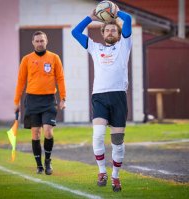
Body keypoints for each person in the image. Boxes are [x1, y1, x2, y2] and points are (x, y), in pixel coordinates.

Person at [72, 7, 132, 192]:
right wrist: (90, 17)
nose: (110, 32)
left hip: (118, 96)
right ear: (103, 33)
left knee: (117, 140)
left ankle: (115, 176)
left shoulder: (125, 44)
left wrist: (115, 12)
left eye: (114, 29)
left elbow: (128, 18)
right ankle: (101, 172)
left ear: (119, 33)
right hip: (99, 96)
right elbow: (75, 32)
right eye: (107, 30)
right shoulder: (94, 47)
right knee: (97, 135)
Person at [14, 31, 66, 175]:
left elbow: (60, 78)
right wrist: (16, 101)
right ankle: (39, 166)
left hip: (49, 100)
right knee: (35, 133)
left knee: (48, 131)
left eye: (41, 40)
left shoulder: (54, 58)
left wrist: (63, 98)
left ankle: (48, 161)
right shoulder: (26, 59)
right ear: (33, 42)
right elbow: (21, 81)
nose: (39, 43)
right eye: (37, 41)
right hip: (32, 100)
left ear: (46, 41)